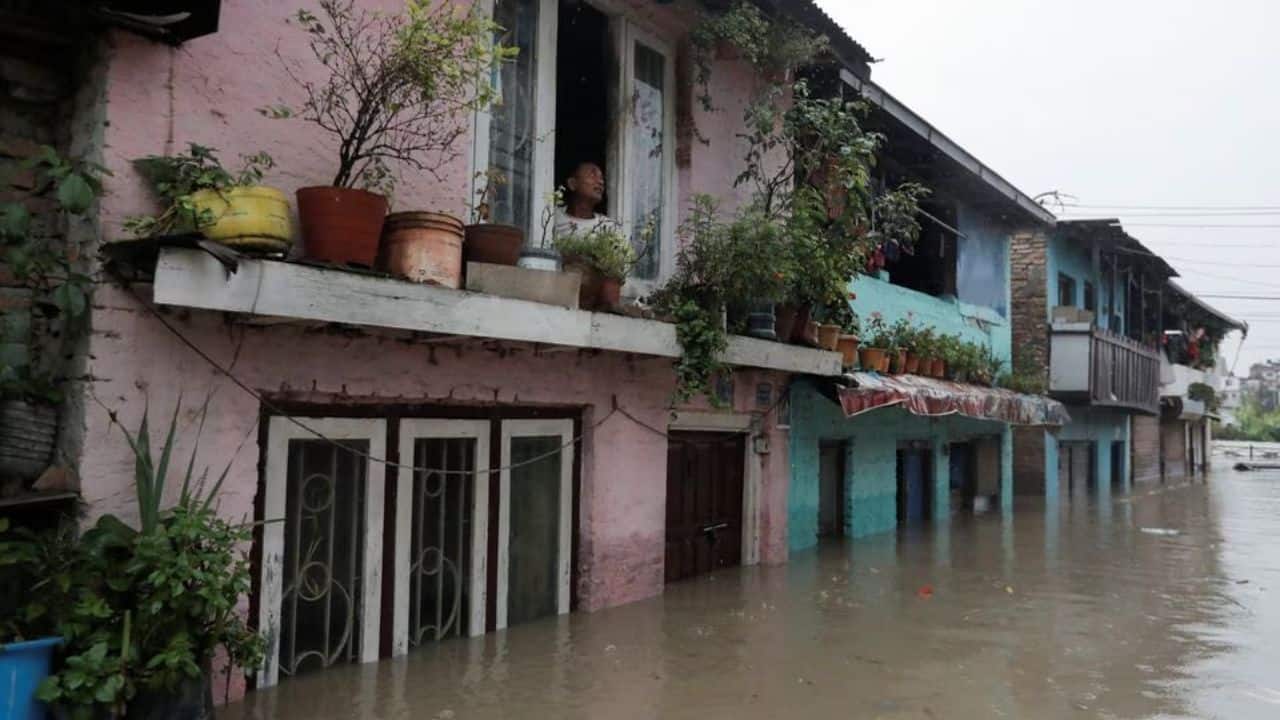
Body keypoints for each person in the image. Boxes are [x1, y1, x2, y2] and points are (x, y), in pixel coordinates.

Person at [555, 162, 616, 239]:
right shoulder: (553, 217)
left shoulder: (608, 226)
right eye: (592, 175)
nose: (601, 182)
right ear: (572, 184)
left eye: (601, 178)